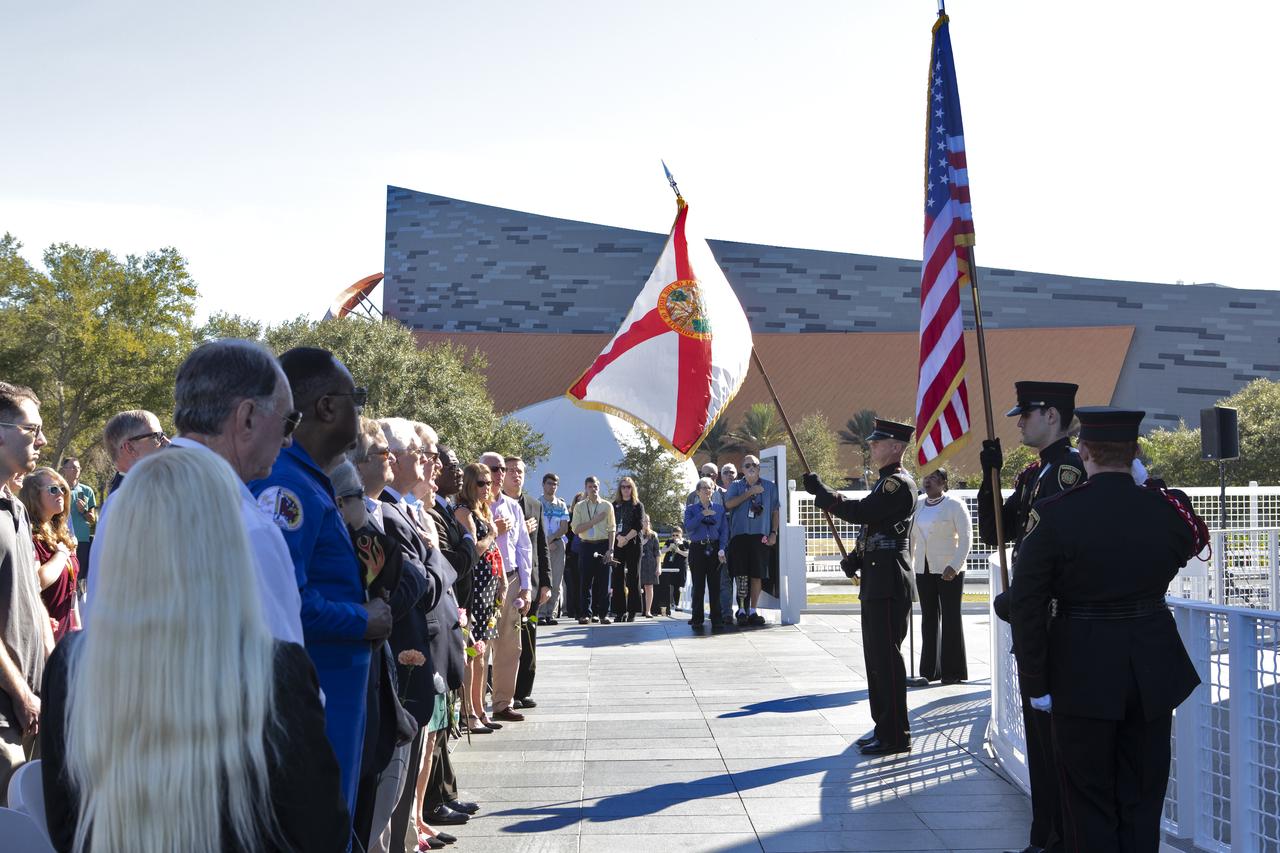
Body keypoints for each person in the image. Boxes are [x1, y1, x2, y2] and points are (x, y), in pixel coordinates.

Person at [41, 448, 349, 853]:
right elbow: (321, 829)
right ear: (226, 541)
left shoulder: (72, 664)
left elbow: (67, 827)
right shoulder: (276, 669)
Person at [1010, 408, 1204, 853]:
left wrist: (1036, 682)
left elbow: (1027, 601)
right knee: (1141, 797)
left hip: (1081, 668)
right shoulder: (1164, 509)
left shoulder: (1055, 514)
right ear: (1136, 453)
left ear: (1083, 452)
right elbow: (1189, 540)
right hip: (1151, 671)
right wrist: (1149, 484)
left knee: (1087, 799)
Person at [249, 347, 391, 828]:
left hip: (338, 697)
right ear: (327, 407)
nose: (360, 410)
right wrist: (362, 619)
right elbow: (283, 598)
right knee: (319, 827)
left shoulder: (311, 482)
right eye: (357, 398)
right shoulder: (285, 490)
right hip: (315, 698)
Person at [978, 380, 1082, 853]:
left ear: (1054, 416)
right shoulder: (1033, 475)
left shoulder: (1068, 472)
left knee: (1059, 747)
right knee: (1041, 747)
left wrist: (1022, 599)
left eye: (1028, 413)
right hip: (1034, 624)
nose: (1019, 421)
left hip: (1059, 627)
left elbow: (1055, 556)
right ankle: (1044, 837)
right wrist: (989, 477)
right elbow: (990, 531)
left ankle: (1061, 839)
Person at [170, 338, 305, 644]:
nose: (288, 441)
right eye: (288, 421)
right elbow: (284, 675)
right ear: (247, 418)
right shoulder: (246, 525)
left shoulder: (121, 501)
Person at [804, 418, 916, 755]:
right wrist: (856, 556)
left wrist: (825, 494)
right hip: (877, 578)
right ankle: (884, 728)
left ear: (896, 447)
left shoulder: (898, 484)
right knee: (876, 661)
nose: (872, 447)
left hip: (888, 580)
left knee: (887, 660)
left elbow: (864, 512)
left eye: (878, 443)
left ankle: (896, 734)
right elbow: (876, 527)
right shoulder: (885, 483)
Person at [0, 382, 53, 801]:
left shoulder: (15, 506)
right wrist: (20, 692)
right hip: (7, 713)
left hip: (30, 706)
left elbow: (31, 600)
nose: (42, 439)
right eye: (31, 429)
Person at [88, 409, 168, 591]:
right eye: (157, 437)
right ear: (129, 447)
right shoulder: (128, 501)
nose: (167, 443)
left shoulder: (136, 493)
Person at [479, 451, 532, 723]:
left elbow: (524, 547)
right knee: (481, 647)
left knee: (511, 646)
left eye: (502, 469)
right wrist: (494, 530)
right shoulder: (474, 505)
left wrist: (526, 586)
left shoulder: (513, 506)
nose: (499, 474)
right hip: (484, 582)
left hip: (510, 581)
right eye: (494, 469)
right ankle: (475, 708)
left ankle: (502, 703)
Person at [909, 467, 971, 684]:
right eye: (926, 477)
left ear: (944, 482)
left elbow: (966, 539)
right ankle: (929, 670)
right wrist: (909, 565)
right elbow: (911, 539)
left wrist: (954, 565)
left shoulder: (955, 505)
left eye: (934, 478)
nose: (928, 481)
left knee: (951, 618)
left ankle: (952, 671)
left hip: (948, 570)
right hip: (923, 568)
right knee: (928, 618)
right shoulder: (917, 505)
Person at [454, 462, 502, 734]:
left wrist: (502, 582)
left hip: (487, 589)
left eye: (489, 483)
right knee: (472, 652)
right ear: (469, 485)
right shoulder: (463, 512)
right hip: (472, 588)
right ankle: (469, 713)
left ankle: (480, 708)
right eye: (481, 483)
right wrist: (494, 533)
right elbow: (474, 551)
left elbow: (494, 552)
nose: (487, 488)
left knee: (482, 653)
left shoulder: (482, 510)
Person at [505, 456, 549, 709]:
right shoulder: (496, 504)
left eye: (519, 471)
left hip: (529, 581)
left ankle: (523, 690)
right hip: (507, 580)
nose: (515, 475)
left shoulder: (533, 504)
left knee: (528, 636)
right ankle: (504, 692)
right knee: (506, 640)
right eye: (510, 470)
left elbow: (542, 546)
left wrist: (546, 582)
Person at [19, 467, 81, 640]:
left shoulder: (62, 535)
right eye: (53, 489)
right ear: (34, 495)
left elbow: (72, 591)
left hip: (67, 635)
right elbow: (36, 581)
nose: (61, 493)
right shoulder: (27, 535)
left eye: (62, 488)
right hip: (41, 637)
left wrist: (78, 630)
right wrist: (61, 555)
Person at [723, 454, 780, 627]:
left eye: (754, 465)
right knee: (741, 575)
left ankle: (753, 611)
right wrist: (750, 493)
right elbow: (728, 505)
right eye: (747, 465)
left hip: (760, 536)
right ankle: (741, 610)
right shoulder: (736, 486)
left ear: (759, 468)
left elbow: (775, 511)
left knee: (757, 575)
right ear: (742, 469)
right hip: (739, 536)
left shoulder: (769, 487)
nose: (751, 468)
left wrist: (773, 533)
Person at [683, 477, 729, 632]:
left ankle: (717, 618)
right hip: (698, 549)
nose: (707, 490)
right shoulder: (691, 509)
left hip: (714, 548)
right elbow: (689, 527)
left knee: (715, 585)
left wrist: (722, 548)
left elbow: (724, 531)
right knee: (698, 586)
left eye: (710, 488)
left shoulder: (720, 509)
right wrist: (702, 514)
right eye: (704, 488)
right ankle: (697, 618)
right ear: (698, 492)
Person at [572, 476, 615, 625]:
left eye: (595, 486)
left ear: (599, 487)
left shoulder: (607, 506)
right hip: (586, 545)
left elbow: (612, 529)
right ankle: (585, 614)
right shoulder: (580, 506)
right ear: (586, 488)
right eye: (590, 487)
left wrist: (611, 549)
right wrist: (593, 521)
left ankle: (603, 614)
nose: (593, 489)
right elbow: (576, 529)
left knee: (604, 582)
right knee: (585, 582)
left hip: (603, 544)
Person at [610, 476, 645, 621]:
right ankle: (619, 611)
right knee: (617, 577)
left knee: (633, 577)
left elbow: (639, 525)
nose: (626, 489)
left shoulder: (638, 505)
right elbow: (611, 524)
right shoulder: (614, 505)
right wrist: (619, 538)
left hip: (633, 543)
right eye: (623, 487)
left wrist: (626, 538)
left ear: (632, 488)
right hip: (618, 544)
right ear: (620, 489)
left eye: (628, 487)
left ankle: (632, 611)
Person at [537, 473, 570, 624]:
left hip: (557, 544)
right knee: (543, 579)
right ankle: (541, 613)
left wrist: (551, 539)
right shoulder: (537, 503)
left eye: (555, 484)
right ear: (543, 485)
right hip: (541, 544)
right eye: (549, 483)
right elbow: (535, 526)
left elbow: (564, 527)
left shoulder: (561, 505)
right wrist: (545, 541)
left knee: (556, 581)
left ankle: (551, 612)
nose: (552, 487)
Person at [58, 457, 95, 583]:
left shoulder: (86, 491)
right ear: (64, 470)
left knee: (80, 577)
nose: (76, 470)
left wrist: (84, 511)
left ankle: (80, 599)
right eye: (73, 467)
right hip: (62, 539)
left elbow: (92, 520)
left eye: (78, 468)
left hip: (82, 540)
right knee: (65, 576)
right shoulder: (57, 490)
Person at [660, 525, 689, 614]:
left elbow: (688, 554)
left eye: (677, 535)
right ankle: (666, 605)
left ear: (681, 534)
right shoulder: (669, 541)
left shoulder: (685, 542)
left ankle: (676, 604)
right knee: (667, 584)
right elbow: (661, 551)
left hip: (680, 567)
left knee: (678, 586)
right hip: (669, 566)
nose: (675, 537)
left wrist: (678, 550)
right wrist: (669, 548)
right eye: (673, 535)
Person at [638, 514, 660, 618]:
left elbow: (657, 553)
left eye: (648, 521)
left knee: (649, 587)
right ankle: (635, 610)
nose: (646, 523)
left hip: (650, 564)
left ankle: (648, 611)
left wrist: (658, 566)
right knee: (635, 587)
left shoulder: (653, 535)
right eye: (644, 521)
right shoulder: (635, 534)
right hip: (637, 564)